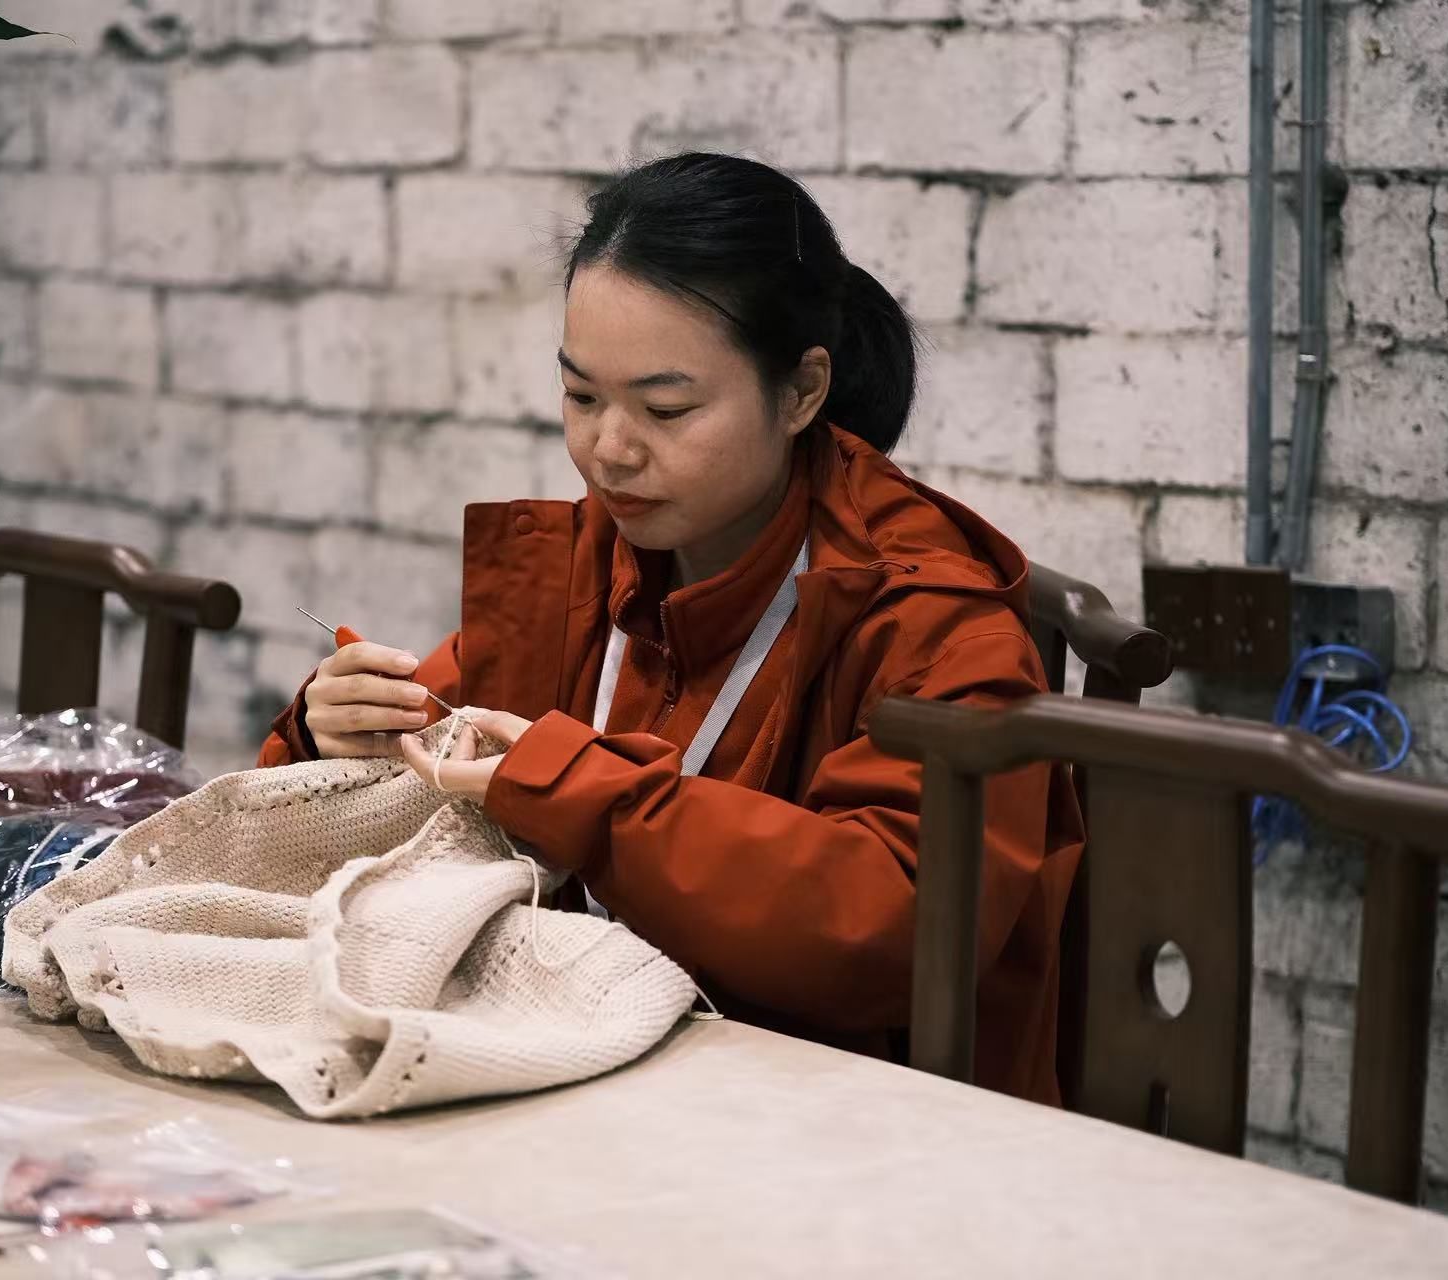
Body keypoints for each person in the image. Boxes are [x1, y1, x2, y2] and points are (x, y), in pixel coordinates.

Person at [259, 152, 1084, 1105]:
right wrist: (331, 734)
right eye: (581, 397)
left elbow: (897, 929)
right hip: (592, 1068)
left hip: (841, 1118)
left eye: (665, 409)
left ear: (802, 392)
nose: (609, 449)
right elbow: (442, 730)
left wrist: (588, 800)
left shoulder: (930, 620)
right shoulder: (588, 559)